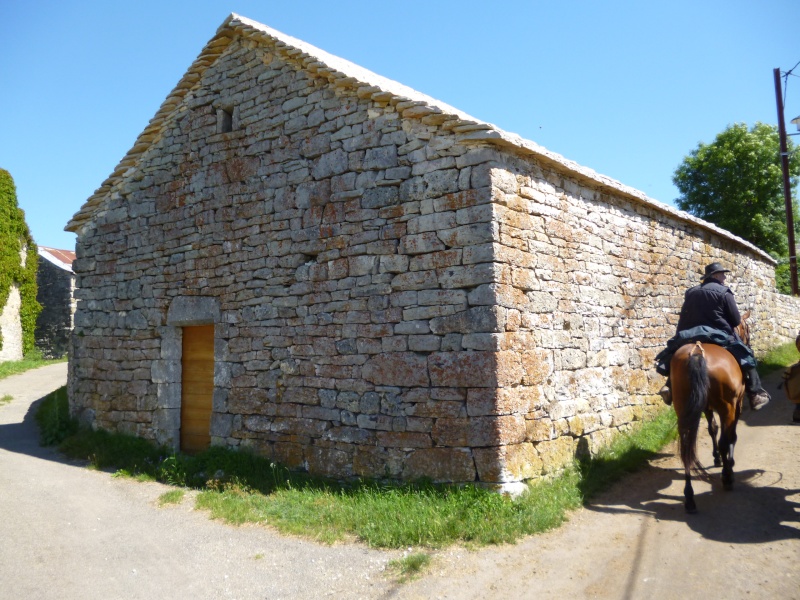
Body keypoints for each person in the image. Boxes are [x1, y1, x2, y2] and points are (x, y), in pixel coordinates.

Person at [656, 262, 770, 410]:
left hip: (689, 334)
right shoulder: (724, 292)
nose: (724, 277)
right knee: (747, 355)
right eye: (722, 274)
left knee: (673, 354)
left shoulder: (691, 292)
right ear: (715, 275)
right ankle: (755, 393)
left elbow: (684, 315)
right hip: (717, 334)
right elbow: (736, 320)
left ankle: (669, 386)